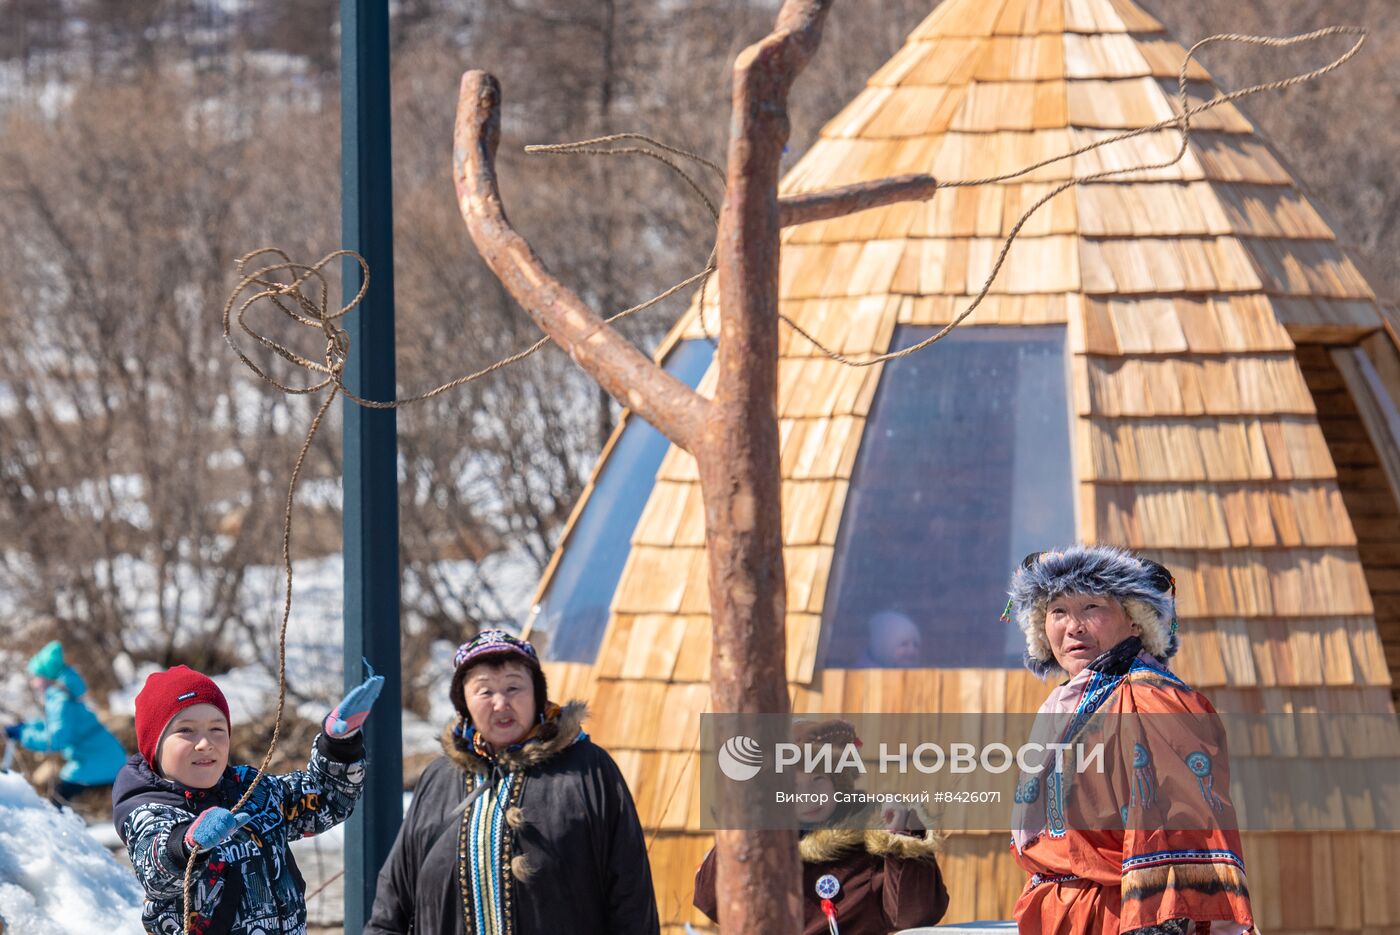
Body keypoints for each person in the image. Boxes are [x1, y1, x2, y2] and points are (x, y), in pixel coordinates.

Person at [1004, 546, 1256, 935]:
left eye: (1092, 607)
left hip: (1122, 919)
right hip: (1065, 917)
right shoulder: (1067, 704)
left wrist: (1160, 925)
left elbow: (1181, 824)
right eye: (1058, 611)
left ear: (1135, 622)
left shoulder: (1152, 699)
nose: (1073, 627)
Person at [365, 629, 659, 934]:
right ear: (463, 703)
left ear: (536, 694)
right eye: (484, 691)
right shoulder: (439, 779)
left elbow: (631, 899)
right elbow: (391, 907)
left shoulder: (588, 771)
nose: (501, 702)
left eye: (514, 687)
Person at [111, 663, 380, 934]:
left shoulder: (251, 789)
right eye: (186, 731)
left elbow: (323, 800)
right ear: (154, 746)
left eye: (217, 729)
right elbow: (155, 872)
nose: (205, 743)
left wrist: (339, 746)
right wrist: (187, 844)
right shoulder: (150, 810)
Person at [693, 718, 949, 934]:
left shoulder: (871, 842)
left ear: (839, 784)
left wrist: (901, 838)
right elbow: (712, 901)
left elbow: (913, 916)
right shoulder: (763, 845)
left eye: (819, 779)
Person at [4, 640, 126, 803]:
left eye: (35, 677)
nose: (33, 683)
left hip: (96, 760)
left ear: (46, 677)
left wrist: (23, 734)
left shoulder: (60, 700)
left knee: (56, 801)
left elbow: (56, 739)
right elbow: (56, 725)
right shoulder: (62, 695)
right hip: (106, 755)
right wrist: (26, 727)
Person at [854, 611, 923, 668]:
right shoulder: (865, 674)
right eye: (904, 644)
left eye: (916, 645)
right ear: (884, 645)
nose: (911, 650)